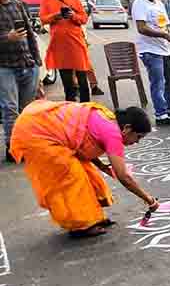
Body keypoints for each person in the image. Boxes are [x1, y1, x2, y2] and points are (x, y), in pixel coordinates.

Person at [9, 100, 159, 238]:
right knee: (71, 179)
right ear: (127, 129)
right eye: (138, 137)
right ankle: (80, 226)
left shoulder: (109, 119)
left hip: (41, 124)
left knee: (88, 173)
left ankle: (92, 217)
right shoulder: (113, 134)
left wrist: (101, 165)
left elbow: (80, 142)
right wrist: (149, 200)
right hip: (38, 133)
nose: (137, 142)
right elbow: (124, 177)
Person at [0, 0, 42, 163]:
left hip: (26, 63)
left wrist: (36, 60)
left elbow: (30, 33)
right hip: (4, 66)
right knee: (10, 109)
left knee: (26, 109)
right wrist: (6, 38)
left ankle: (25, 143)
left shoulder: (17, 5)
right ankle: (13, 148)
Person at [131, 0, 170, 127]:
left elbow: (164, 26)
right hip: (150, 51)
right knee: (158, 82)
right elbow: (142, 28)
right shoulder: (139, 4)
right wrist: (164, 35)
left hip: (164, 49)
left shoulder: (159, 4)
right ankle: (160, 115)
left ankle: (169, 108)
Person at [40, 0, 91, 103]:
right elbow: (43, 19)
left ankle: (86, 108)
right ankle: (71, 110)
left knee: (82, 80)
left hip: (76, 43)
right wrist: (55, 16)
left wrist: (73, 16)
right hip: (59, 46)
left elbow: (84, 18)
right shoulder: (46, 0)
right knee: (68, 84)